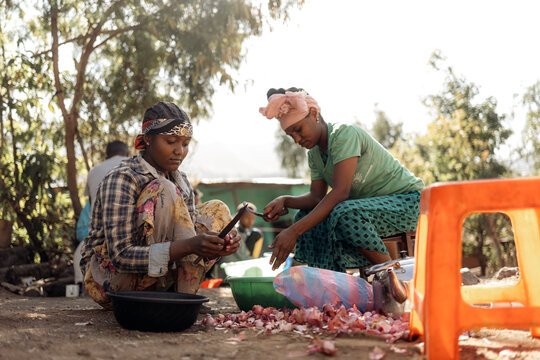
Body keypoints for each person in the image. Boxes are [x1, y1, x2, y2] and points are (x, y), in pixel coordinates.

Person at [80, 101, 240, 309]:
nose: (179, 151)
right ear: (148, 139)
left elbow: (186, 238)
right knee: (164, 189)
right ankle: (170, 299)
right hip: (114, 283)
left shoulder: (181, 181)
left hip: (162, 280)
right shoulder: (122, 179)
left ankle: (182, 300)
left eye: (185, 143)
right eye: (171, 141)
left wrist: (216, 245)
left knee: (217, 210)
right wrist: (191, 245)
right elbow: (121, 256)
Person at [259, 88, 425, 273]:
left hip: (408, 203)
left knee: (345, 213)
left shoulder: (343, 134)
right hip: (370, 210)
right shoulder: (314, 154)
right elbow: (316, 197)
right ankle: (329, 286)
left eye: (298, 130)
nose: (297, 139)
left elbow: (340, 192)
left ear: (314, 114)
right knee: (305, 217)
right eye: (291, 135)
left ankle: (394, 277)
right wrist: (286, 201)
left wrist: (293, 232)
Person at [74, 141, 130, 287]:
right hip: (128, 229)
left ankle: (82, 287)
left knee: (78, 255)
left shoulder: (94, 171)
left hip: (98, 233)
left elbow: (93, 201)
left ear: (106, 155)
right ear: (128, 153)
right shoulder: (133, 165)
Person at [209, 202, 263, 279]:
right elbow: (243, 256)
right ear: (239, 217)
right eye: (248, 218)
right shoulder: (235, 231)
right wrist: (259, 262)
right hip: (228, 271)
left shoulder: (245, 232)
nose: (250, 221)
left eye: (253, 218)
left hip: (235, 267)